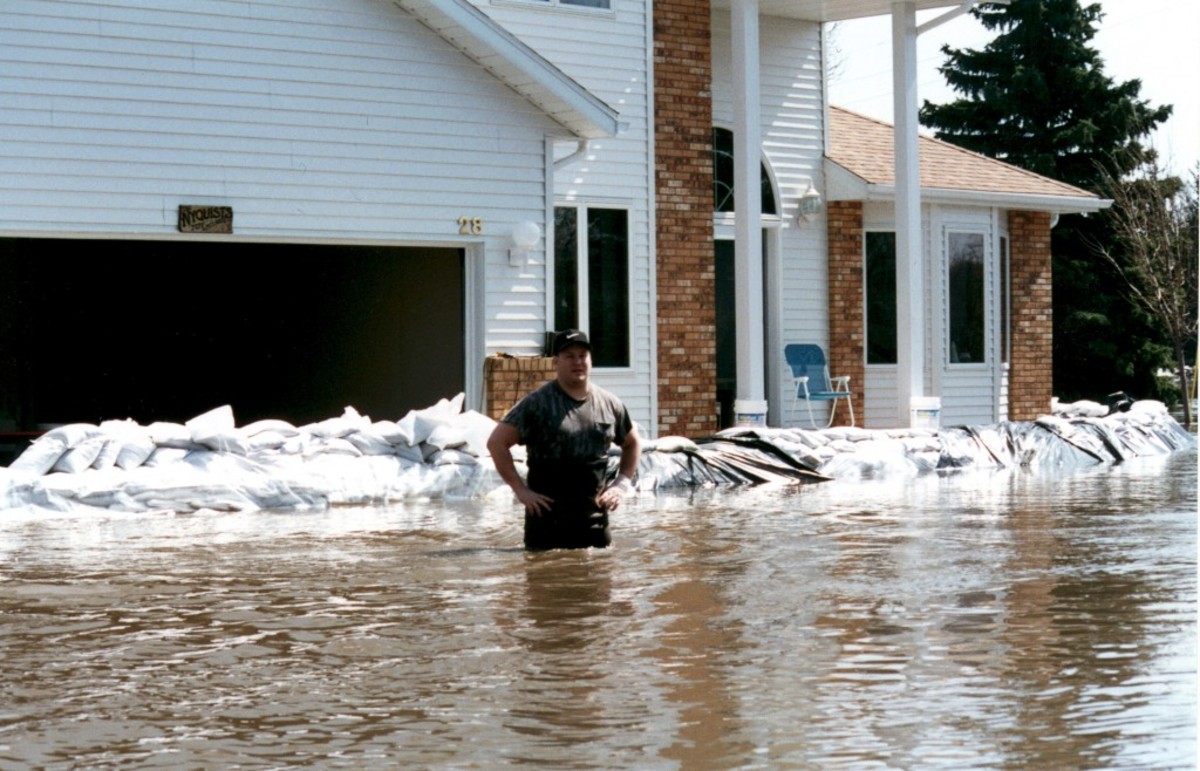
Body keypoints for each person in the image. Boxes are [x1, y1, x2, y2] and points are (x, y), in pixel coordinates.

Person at [487, 329, 642, 550]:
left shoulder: (610, 403)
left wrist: (622, 483)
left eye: (582, 356)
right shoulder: (536, 404)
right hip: (546, 525)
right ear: (555, 362)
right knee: (545, 579)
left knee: (600, 577)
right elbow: (496, 443)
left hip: (595, 523)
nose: (577, 362)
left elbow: (633, 443)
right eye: (569, 356)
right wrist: (520, 490)